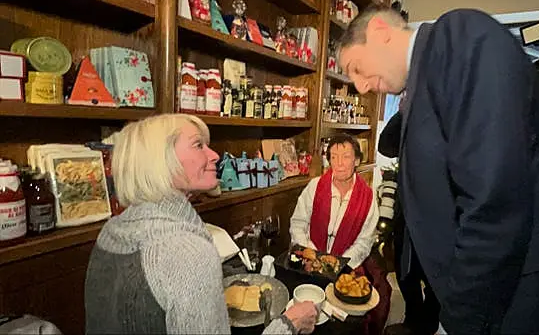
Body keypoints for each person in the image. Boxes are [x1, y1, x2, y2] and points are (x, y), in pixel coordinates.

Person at [338, 5, 539, 334]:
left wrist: (459, 320)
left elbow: (494, 199)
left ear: (379, 32)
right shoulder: (425, 78)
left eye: (356, 69)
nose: (362, 88)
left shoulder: (460, 36)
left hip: (510, 297)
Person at [84, 113, 318, 334]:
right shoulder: (189, 253)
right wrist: (289, 324)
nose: (215, 155)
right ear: (161, 160)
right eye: (198, 145)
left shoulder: (110, 231)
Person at [289, 133, 390, 334]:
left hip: (346, 265)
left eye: (345, 156)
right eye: (333, 157)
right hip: (311, 260)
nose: (339, 163)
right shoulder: (315, 186)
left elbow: (364, 241)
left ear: (357, 160)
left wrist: (339, 265)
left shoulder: (368, 197)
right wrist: (313, 254)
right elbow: (297, 224)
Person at [378, 111, 441, 335]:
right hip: (408, 208)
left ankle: (428, 322)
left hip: (441, 215)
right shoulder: (414, 115)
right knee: (404, 271)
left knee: (437, 277)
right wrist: (408, 108)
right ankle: (413, 319)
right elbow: (385, 146)